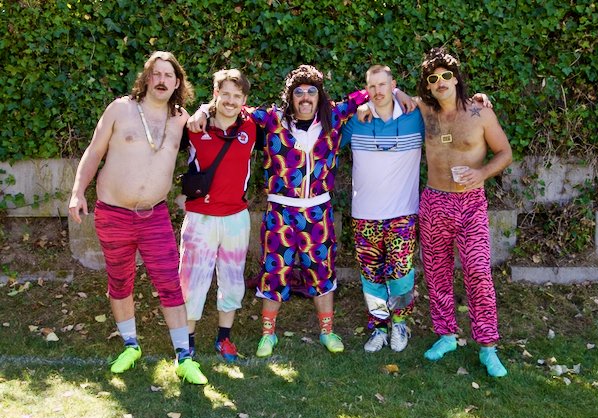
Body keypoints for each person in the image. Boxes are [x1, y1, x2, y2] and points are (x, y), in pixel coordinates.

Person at [188, 64, 414, 357]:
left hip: (317, 212)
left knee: (322, 272)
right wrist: (203, 109)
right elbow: (234, 106)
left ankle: (327, 331)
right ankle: (268, 335)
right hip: (281, 212)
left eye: (311, 91)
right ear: (290, 96)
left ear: (319, 96)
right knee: (274, 272)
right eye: (298, 92)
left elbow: (368, 93)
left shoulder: (333, 116)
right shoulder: (273, 119)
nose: (305, 97)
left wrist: (397, 91)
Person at [68, 51, 207, 385]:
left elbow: (215, 120)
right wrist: (77, 192)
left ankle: (184, 358)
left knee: (169, 282)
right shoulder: (121, 109)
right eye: (156, 73)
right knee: (119, 281)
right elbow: (94, 151)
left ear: (177, 82)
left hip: (154, 215)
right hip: (113, 213)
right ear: (146, 78)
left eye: (169, 75)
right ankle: (130, 346)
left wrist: (203, 110)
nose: (161, 80)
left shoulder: (180, 118)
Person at [416, 47, 512, 377]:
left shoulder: (479, 113)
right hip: (434, 201)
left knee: (478, 272)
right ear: (428, 86)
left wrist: (482, 173)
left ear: (456, 79)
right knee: (436, 273)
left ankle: (487, 347)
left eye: (446, 75)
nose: (440, 82)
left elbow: (505, 152)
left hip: (470, 203)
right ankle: (446, 335)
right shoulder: (425, 111)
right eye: (433, 79)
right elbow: (389, 95)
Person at [340, 65, 424, 353]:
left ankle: (399, 323)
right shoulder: (358, 120)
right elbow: (326, 140)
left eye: (383, 85)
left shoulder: (415, 117)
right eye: (371, 86)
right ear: (366, 90)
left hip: (402, 213)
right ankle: (378, 326)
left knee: (402, 275)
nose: (378, 91)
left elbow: (447, 108)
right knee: (371, 276)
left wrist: (480, 100)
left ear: (393, 85)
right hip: (365, 215)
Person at [179, 69, 260, 363]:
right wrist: (201, 111)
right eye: (225, 94)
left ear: (244, 99)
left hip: (236, 217)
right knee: (192, 280)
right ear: (215, 94)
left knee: (232, 280)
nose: (230, 101)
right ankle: (186, 342)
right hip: (200, 217)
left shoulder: (251, 125)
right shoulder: (194, 127)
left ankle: (224, 338)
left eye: (237, 96)